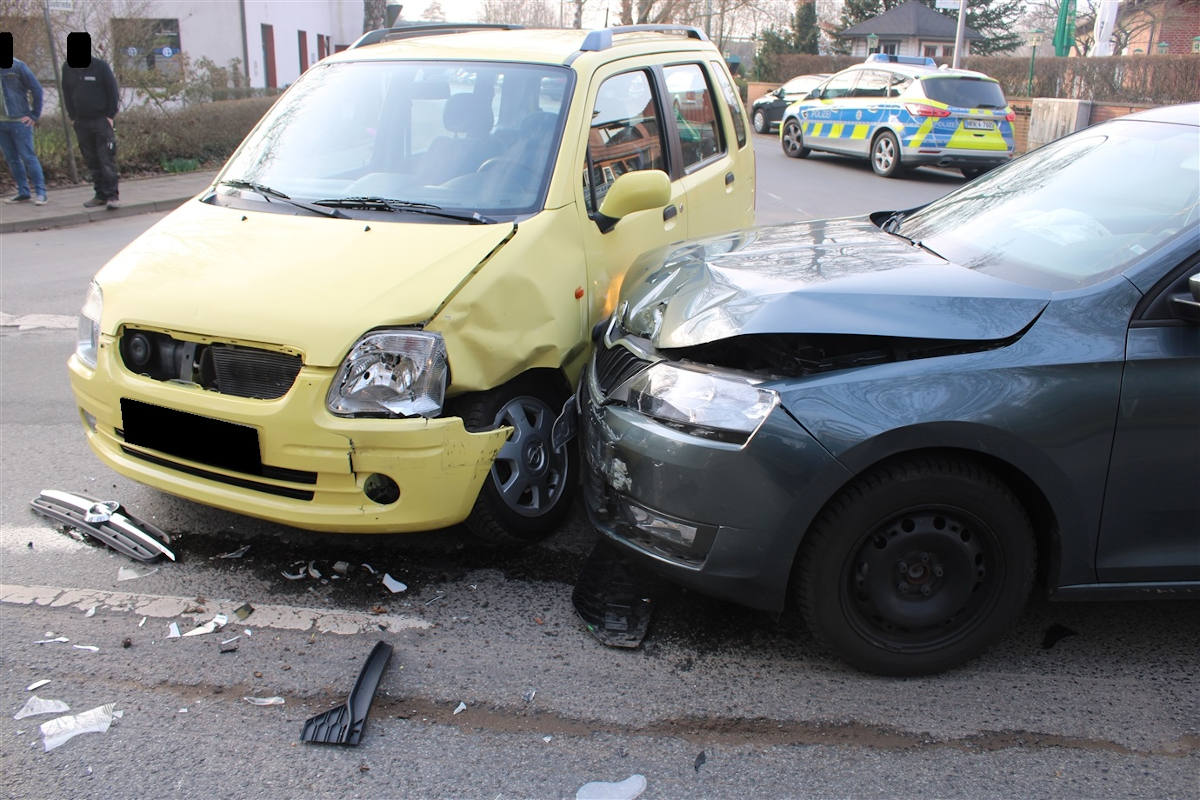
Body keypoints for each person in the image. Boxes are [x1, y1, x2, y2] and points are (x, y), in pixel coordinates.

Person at [62, 33, 120, 209]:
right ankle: (100, 195)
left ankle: (112, 196)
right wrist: (72, 116)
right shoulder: (68, 68)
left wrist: (110, 115)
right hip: (81, 122)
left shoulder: (100, 67)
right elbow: (66, 93)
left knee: (106, 159)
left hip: (101, 120)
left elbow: (112, 92)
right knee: (92, 161)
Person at [0, 56, 48, 205]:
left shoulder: (17, 66)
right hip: (1, 123)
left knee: (28, 157)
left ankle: (41, 193)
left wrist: (34, 114)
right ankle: (23, 192)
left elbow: (37, 89)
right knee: (12, 159)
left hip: (20, 121)